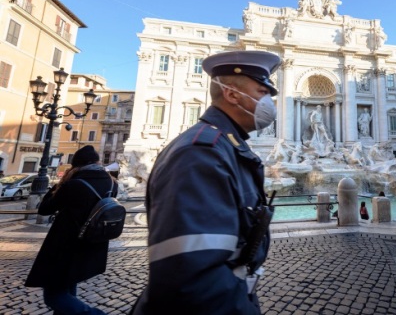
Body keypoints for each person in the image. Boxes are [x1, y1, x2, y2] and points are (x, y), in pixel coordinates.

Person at [131, 51, 281, 314]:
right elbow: (193, 278)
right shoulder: (201, 152)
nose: (269, 102)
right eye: (262, 92)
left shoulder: (225, 145)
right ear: (232, 94)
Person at [25, 145, 116, 315]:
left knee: (53, 296)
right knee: (68, 287)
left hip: (64, 246)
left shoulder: (73, 184)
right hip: (91, 245)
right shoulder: (111, 183)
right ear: (96, 162)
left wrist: (58, 186)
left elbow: (44, 209)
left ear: (76, 165)